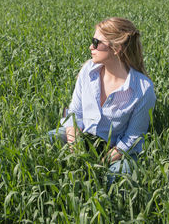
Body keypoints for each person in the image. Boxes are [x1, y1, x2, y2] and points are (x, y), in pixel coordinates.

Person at [49, 17, 156, 186]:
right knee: (48, 140)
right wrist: (76, 148)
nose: (91, 47)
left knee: (123, 173)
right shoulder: (88, 71)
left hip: (116, 149)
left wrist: (102, 163)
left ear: (116, 48)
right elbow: (73, 113)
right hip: (82, 137)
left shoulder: (143, 89)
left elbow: (133, 137)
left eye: (96, 42)